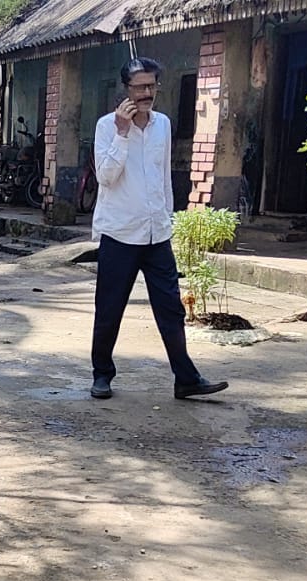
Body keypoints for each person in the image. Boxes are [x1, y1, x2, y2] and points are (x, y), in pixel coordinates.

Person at [89, 57, 228, 401]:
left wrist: (167, 218)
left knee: (171, 309)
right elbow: (105, 177)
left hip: (156, 234)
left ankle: (186, 379)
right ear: (126, 90)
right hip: (120, 233)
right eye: (139, 87)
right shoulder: (107, 126)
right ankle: (102, 375)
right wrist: (122, 133)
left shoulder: (162, 124)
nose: (146, 93)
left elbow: (164, 176)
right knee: (109, 309)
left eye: (151, 86)